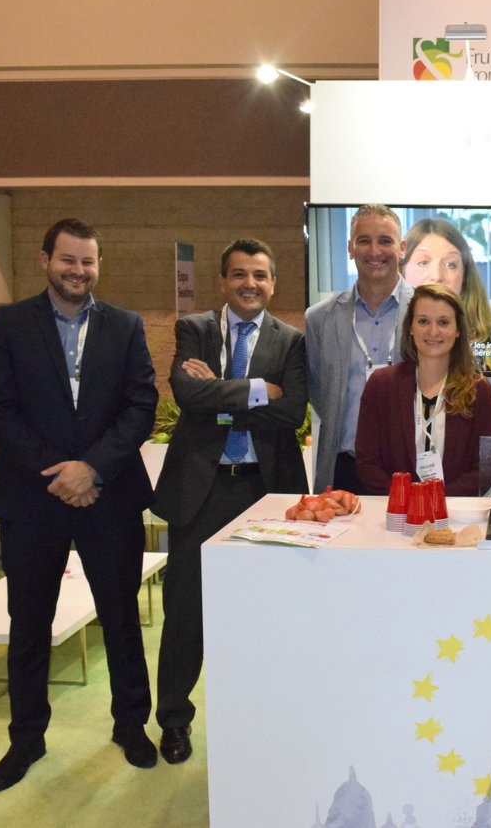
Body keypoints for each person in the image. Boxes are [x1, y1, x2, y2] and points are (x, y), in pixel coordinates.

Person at [0, 218, 158, 791]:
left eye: (88, 262)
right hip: (33, 497)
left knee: (122, 618)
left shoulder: (125, 326)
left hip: (109, 494)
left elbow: (141, 406)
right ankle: (26, 738)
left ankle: (131, 725)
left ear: (99, 265)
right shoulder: (7, 324)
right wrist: (60, 473)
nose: (78, 271)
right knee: (29, 624)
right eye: (68, 260)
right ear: (45, 260)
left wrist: (92, 468)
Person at [151, 239, 308, 765]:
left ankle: (264, 717)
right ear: (223, 281)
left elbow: (293, 413)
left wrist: (220, 394)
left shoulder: (291, 341)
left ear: (273, 283)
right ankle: (174, 720)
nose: (250, 284)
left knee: (269, 610)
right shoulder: (194, 329)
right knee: (185, 612)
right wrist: (262, 389)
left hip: (267, 492)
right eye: (239, 274)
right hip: (202, 490)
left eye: (260, 275)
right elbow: (187, 396)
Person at [306, 204, 415, 492]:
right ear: (350, 248)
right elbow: (319, 390)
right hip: (344, 468)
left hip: (410, 468)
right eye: (364, 240)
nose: (374, 251)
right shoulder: (320, 318)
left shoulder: (426, 314)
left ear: (402, 248)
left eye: (385, 240)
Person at [355, 284, 491, 495]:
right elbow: (367, 462)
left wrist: (436, 501)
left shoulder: (479, 390)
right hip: (395, 509)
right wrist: (409, 500)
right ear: (410, 328)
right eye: (423, 321)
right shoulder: (381, 385)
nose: (433, 331)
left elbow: (485, 468)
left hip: (454, 511)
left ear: (458, 330)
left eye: (443, 322)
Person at [399, 217, 491, 371]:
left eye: (450, 264)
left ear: (465, 275)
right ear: (402, 270)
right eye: (423, 262)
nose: (437, 276)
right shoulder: (388, 326)